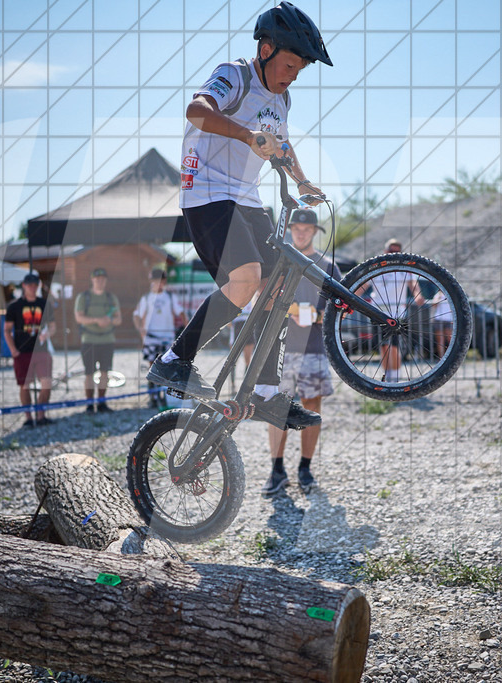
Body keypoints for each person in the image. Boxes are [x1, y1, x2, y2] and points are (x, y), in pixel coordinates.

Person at [146, 2, 333, 432]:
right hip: (208, 193)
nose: (292, 75)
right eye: (288, 64)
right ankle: (175, 360)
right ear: (266, 49)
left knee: (275, 289)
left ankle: (267, 393)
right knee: (246, 279)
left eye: (299, 70)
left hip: (247, 199)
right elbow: (196, 110)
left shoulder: (282, 99)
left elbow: (282, 145)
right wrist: (247, 135)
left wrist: (302, 181)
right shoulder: (236, 74)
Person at [263, 209, 341, 496]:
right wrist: (288, 311)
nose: (301, 232)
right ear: (291, 229)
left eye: (306, 228)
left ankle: (305, 468)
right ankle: (276, 468)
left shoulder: (328, 266)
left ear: (315, 231)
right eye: (296, 227)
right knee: (276, 409)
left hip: (313, 349)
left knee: (312, 408)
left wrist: (314, 315)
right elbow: (264, 299)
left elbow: (338, 308)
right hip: (280, 347)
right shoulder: (280, 263)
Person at [359, 238, 425, 383]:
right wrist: (350, 299)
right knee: (383, 346)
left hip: (397, 313)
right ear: (385, 252)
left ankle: (395, 377)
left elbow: (413, 283)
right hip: (376, 312)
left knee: (393, 345)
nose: (394, 254)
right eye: (391, 251)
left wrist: (418, 296)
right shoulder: (376, 268)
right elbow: (362, 286)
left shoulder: (404, 270)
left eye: (397, 251)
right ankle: (387, 376)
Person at [4, 273, 56, 428]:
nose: (33, 288)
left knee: (46, 383)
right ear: (24, 286)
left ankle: (41, 416)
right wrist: (13, 350)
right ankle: (28, 418)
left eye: (35, 285)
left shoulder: (44, 304)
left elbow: (53, 326)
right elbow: (7, 330)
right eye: (30, 285)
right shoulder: (14, 306)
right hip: (22, 351)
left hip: (41, 350)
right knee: (25, 385)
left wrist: (48, 334)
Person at [133, 268, 185, 409]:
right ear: (152, 281)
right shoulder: (146, 298)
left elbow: (180, 312)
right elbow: (137, 315)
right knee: (153, 368)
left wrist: (187, 329)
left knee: (167, 367)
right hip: (151, 338)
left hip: (167, 338)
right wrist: (141, 331)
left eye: (162, 281)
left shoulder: (170, 297)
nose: (159, 284)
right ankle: (153, 397)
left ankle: (165, 397)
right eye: (156, 281)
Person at [74, 268, 122, 414]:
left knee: (104, 373)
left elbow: (118, 319)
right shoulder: (84, 297)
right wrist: (96, 320)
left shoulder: (111, 297)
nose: (100, 281)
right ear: (92, 280)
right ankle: (89, 404)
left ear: (106, 280)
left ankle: (101, 403)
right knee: (89, 373)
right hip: (89, 340)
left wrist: (109, 320)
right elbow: (79, 318)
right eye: (97, 278)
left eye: (102, 279)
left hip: (107, 340)